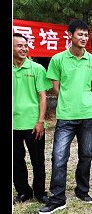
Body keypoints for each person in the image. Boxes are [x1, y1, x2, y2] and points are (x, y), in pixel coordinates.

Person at [39, 19, 92, 214]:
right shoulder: (58, 59)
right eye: (80, 34)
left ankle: (82, 190)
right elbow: (55, 87)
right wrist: (69, 100)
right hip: (66, 115)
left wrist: (86, 99)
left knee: (86, 155)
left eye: (86, 35)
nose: (84, 38)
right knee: (59, 156)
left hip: (88, 115)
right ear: (70, 35)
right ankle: (58, 198)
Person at [13, 33, 52, 205]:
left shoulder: (37, 69)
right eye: (19, 45)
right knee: (16, 160)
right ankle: (23, 192)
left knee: (38, 160)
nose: (23, 49)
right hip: (14, 124)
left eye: (25, 45)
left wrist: (40, 121)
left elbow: (43, 96)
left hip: (33, 123)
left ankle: (39, 192)